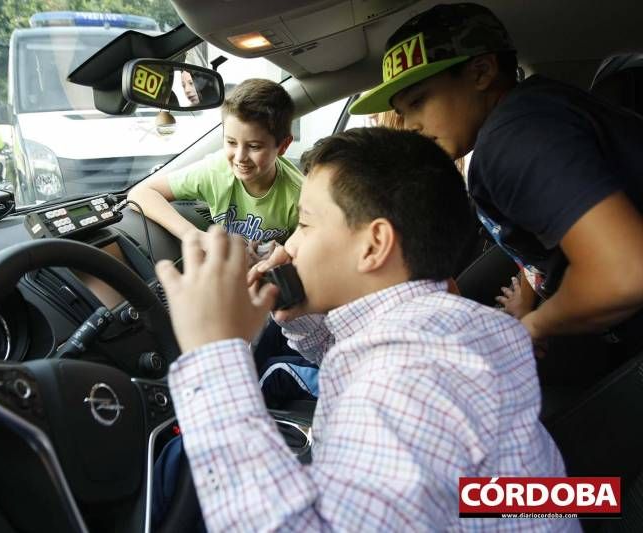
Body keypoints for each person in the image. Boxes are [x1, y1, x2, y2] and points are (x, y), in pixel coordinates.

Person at [154, 127, 575, 531]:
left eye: (304, 224)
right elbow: (350, 356)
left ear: (374, 246)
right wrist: (300, 313)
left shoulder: (406, 380)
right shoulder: (437, 327)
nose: (289, 245)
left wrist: (213, 355)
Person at [348, 3, 643, 361]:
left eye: (419, 101)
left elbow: (626, 272)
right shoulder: (522, 118)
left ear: (481, 73)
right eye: (402, 111)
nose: (409, 124)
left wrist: (534, 327)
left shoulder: (513, 139)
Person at [128, 78, 303, 263]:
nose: (240, 157)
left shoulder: (299, 194)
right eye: (231, 142)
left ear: (283, 146)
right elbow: (139, 194)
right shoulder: (215, 170)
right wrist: (195, 236)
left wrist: (283, 257)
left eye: (254, 146)